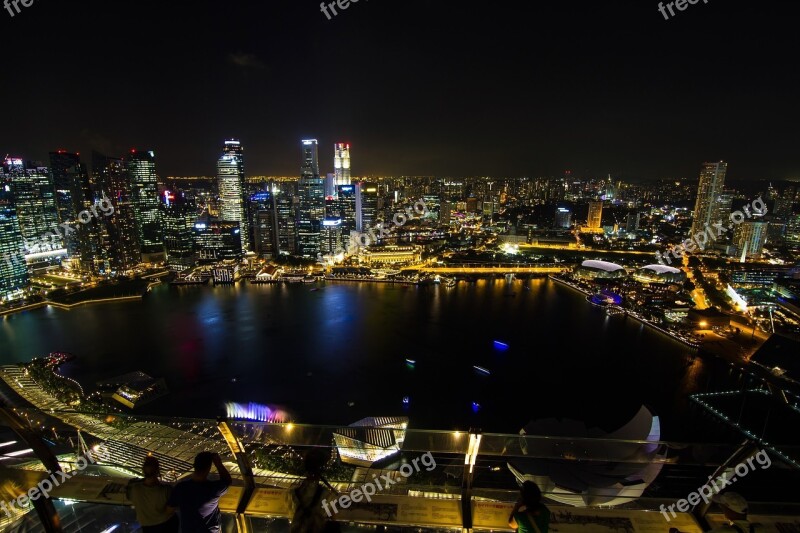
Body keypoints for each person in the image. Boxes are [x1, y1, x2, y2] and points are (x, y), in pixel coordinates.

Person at [167, 452, 232, 533]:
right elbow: (227, 481)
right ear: (209, 468)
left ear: (194, 465)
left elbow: (169, 510)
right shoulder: (213, 489)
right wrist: (218, 463)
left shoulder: (181, 488)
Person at [289, 449, 339, 533]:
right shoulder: (328, 495)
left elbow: (292, 515)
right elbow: (333, 520)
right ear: (321, 470)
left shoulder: (293, 493)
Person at [126, 456, 179, 533]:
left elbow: (130, 497)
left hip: (147, 528)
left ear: (143, 471)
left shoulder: (134, 489)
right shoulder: (166, 490)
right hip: (166, 526)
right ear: (157, 471)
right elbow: (170, 511)